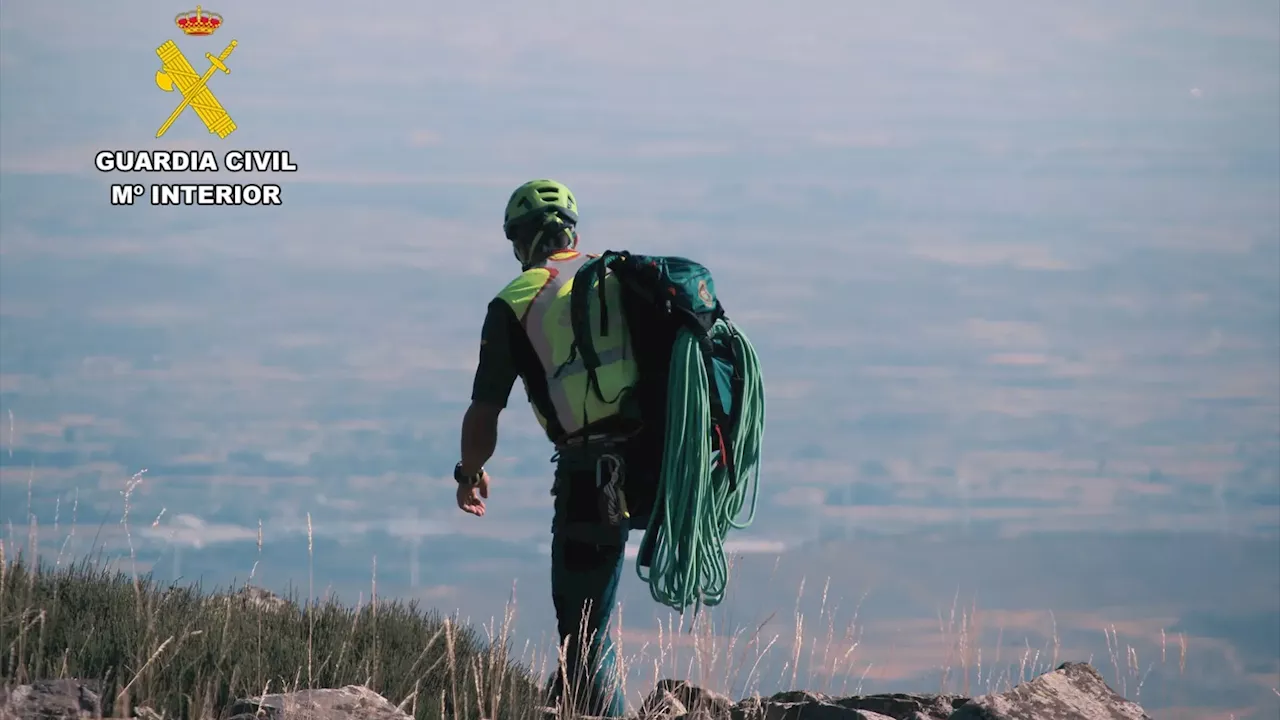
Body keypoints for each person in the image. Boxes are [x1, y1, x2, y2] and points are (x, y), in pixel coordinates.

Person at [453, 178, 650, 718]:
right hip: (651, 463)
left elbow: (485, 409)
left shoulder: (515, 301)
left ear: (522, 241)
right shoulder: (616, 275)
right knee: (584, 620)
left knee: (583, 632)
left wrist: (468, 471)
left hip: (592, 472)